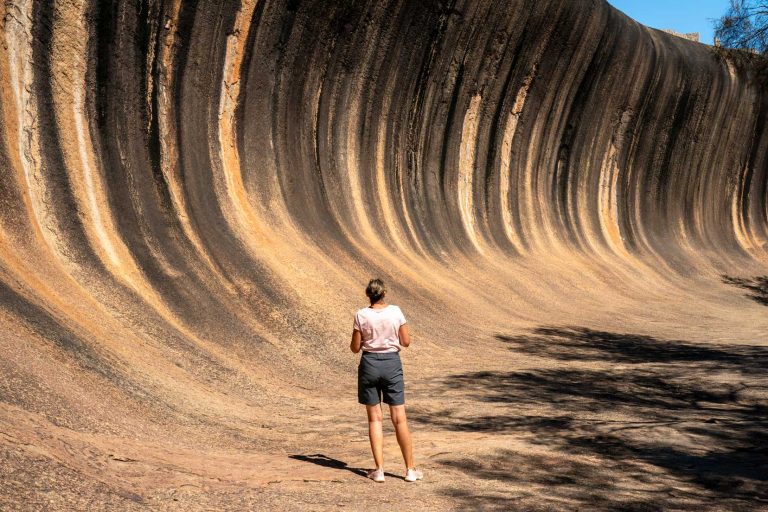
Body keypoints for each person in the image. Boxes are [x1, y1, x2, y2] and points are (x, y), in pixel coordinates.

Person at [350, 278, 423, 483]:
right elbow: (406, 342)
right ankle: (410, 470)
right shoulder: (396, 312)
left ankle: (379, 470)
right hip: (392, 363)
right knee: (399, 417)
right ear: (384, 293)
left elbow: (355, 348)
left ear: (368, 295)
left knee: (375, 419)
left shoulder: (361, 314)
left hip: (369, 364)